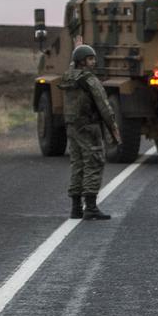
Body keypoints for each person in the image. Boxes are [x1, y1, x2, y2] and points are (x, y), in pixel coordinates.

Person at [58, 44, 120, 220]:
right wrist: (113, 128)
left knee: (77, 165)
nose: (94, 61)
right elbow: (104, 107)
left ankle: (76, 208)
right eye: (90, 59)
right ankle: (91, 207)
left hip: (72, 127)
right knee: (94, 163)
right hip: (89, 128)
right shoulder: (89, 80)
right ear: (82, 61)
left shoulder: (69, 78)